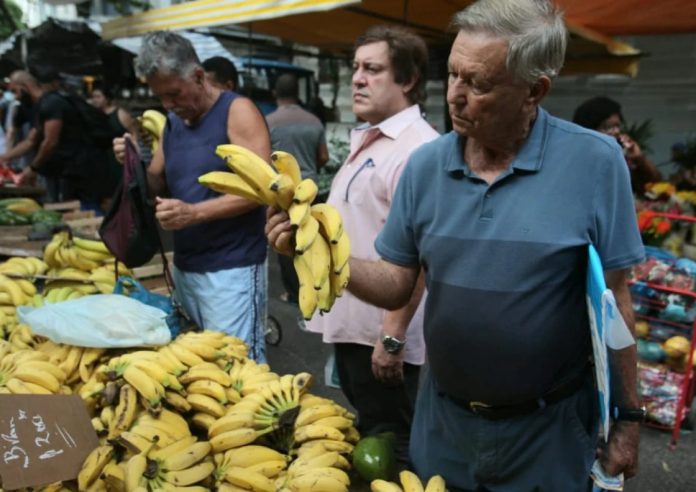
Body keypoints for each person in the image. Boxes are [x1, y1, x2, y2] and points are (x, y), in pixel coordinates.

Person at [267, 1, 644, 490]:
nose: (455, 96)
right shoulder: (425, 167)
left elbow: (618, 299)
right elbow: (396, 282)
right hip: (443, 423)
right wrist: (317, 250)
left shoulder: (595, 162)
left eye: (478, 84)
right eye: (452, 76)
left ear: (535, 90)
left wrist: (629, 420)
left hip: (548, 430)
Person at [309, 25, 437, 462]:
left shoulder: (418, 150)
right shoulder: (370, 139)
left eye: (373, 69)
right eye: (355, 68)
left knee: (397, 446)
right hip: (355, 324)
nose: (357, 79)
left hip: (382, 336)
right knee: (372, 435)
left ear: (408, 80)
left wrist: (393, 337)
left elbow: (422, 254)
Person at [113, 31, 271, 361]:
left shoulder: (237, 111)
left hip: (232, 270)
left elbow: (264, 191)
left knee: (239, 368)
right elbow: (156, 185)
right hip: (186, 268)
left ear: (198, 76)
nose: (168, 104)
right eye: (161, 96)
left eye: (174, 93)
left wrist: (195, 213)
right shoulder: (172, 123)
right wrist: (131, 158)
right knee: (201, 370)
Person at [266, 73, 329, 306]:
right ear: (297, 93)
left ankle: (295, 294)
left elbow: (262, 161)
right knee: (314, 241)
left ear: (275, 93)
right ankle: (320, 287)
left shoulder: (268, 122)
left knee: (287, 245)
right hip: (312, 191)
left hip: (284, 196)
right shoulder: (313, 121)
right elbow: (324, 156)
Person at [0, 69, 108, 205]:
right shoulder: (41, 105)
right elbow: (30, 141)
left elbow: (50, 141)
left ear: (24, 87)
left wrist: (33, 168)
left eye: (15, 91)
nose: (15, 97)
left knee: (83, 210)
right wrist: (4, 157)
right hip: (67, 170)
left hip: (80, 169)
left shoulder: (51, 103)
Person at [573, 95, 661, 195]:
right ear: (589, 129)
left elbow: (654, 187)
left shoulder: (620, 157)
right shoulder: (576, 161)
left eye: (617, 126)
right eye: (607, 127)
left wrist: (639, 159)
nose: (616, 132)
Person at [90, 84, 139, 207]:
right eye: (93, 97)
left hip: (118, 160)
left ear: (106, 98)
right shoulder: (92, 115)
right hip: (101, 161)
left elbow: (135, 133)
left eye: (98, 96)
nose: (95, 100)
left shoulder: (120, 113)